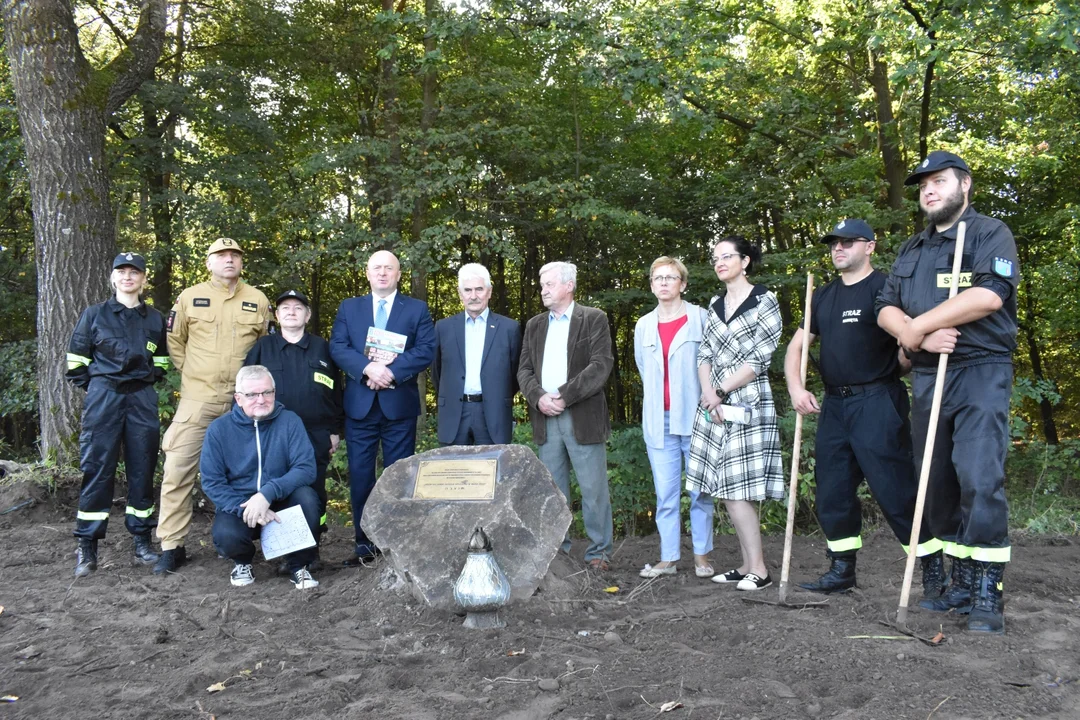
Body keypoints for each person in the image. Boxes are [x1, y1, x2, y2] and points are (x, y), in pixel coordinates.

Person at [876, 151, 1019, 634]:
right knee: (935, 483)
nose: (929, 191)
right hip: (928, 374)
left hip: (979, 369)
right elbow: (884, 308)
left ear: (965, 184)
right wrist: (916, 336)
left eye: (939, 182)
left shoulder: (988, 233)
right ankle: (958, 580)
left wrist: (918, 327)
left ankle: (986, 589)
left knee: (979, 478)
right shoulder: (911, 249)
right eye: (922, 186)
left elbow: (988, 295)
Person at [783, 219, 945, 595]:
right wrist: (795, 388)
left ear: (870, 246)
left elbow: (910, 342)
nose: (838, 249)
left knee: (895, 489)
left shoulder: (886, 288)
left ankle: (932, 568)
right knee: (832, 490)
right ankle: (842, 569)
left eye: (848, 242)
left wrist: (904, 359)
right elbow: (796, 348)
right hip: (833, 407)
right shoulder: (821, 296)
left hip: (877, 402)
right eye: (833, 243)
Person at [155, 238, 271, 574]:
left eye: (235, 254)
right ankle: (172, 546)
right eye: (221, 255)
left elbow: (265, 346)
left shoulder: (257, 300)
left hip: (244, 404)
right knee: (178, 471)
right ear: (209, 263)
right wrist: (194, 374)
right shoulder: (189, 298)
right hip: (198, 400)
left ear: (241, 262)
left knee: (257, 469)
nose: (229, 260)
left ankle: (253, 538)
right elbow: (174, 342)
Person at [686, 236, 783, 591]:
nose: (720, 262)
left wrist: (722, 390)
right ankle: (745, 565)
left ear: (745, 261)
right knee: (726, 486)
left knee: (737, 486)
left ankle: (760, 569)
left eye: (727, 256)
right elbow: (704, 354)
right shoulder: (715, 304)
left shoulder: (765, 300)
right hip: (714, 403)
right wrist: (709, 392)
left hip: (747, 401)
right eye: (715, 258)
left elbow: (760, 359)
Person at [65, 252, 170, 576]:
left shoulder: (155, 319)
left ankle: (141, 541)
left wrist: (143, 384)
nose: (128, 277)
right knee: (97, 470)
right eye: (121, 272)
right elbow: (76, 362)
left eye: (134, 272)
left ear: (143, 278)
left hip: (141, 399)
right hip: (104, 399)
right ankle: (87, 547)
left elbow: (162, 363)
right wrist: (100, 387)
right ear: (112, 278)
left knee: (143, 469)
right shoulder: (94, 315)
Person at [329, 250, 436, 566]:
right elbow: (338, 347)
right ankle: (365, 545)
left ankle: (399, 544)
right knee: (361, 477)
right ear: (367, 273)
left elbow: (426, 349)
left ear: (399, 274)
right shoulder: (351, 308)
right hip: (360, 407)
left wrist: (391, 371)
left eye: (389, 268)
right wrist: (368, 369)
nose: (383, 273)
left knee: (400, 477)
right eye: (377, 268)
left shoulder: (416, 309)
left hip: (398, 406)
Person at [518, 261, 615, 570]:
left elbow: (601, 365)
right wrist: (539, 398)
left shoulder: (594, 319)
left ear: (569, 286)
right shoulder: (534, 325)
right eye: (542, 284)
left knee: (593, 489)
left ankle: (599, 552)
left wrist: (563, 394)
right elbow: (524, 370)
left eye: (549, 284)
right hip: (545, 418)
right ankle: (557, 554)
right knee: (552, 491)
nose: (543, 289)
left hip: (582, 415)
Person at [245, 289, 343, 565]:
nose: (291, 311)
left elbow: (337, 392)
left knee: (314, 492)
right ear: (277, 315)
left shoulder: (324, 349)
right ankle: (280, 549)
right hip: (270, 435)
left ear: (307, 315)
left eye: (298, 307)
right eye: (285, 307)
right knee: (277, 488)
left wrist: (335, 430)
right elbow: (244, 390)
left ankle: (310, 550)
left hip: (315, 435)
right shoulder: (262, 348)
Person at [201, 366, 320, 590]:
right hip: (242, 506)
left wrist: (267, 493)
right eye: (252, 394)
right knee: (226, 535)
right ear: (238, 398)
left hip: (282, 501)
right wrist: (249, 507)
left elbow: (305, 468)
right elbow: (212, 482)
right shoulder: (218, 430)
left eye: (267, 392)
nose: (261, 400)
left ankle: (298, 566)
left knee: (308, 498)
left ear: (274, 393)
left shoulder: (290, 421)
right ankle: (243, 562)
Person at [633, 256, 716, 579]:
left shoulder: (701, 318)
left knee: (700, 491)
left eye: (671, 277)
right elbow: (643, 368)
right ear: (652, 285)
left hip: (696, 419)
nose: (664, 283)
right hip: (658, 420)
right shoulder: (643, 325)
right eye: (658, 278)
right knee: (665, 493)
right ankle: (668, 558)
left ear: (683, 283)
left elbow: (712, 364)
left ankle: (702, 557)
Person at [431, 263, 521, 445]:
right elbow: (437, 371)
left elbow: (516, 373)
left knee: (493, 470)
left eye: (479, 289)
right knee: (453, 471)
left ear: (489, 291)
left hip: (493, 413)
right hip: (454, 412)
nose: (473, 296)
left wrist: (494, 394)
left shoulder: (509, 328)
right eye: (468, 290)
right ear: (460, 293)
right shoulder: (443, 328)